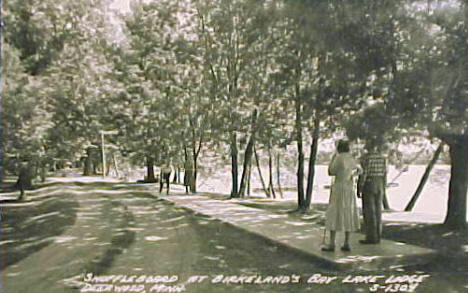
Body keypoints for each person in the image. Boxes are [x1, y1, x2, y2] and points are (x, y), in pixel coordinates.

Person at [322, 140, 361, 252]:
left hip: (339, 187)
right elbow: (360, 169)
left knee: (335, 212)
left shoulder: (339, 158)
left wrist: (332, 159)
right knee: (348, 212)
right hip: (349, 187)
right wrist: (352, 175)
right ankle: (346, 242)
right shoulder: (351, 158)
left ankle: (332, 243)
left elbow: (331, 171)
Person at [357, 144, 387, 244]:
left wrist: (359, 187)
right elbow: (385, 173)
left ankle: (371, 236)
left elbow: (363, 173)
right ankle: (378, 235)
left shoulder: (366, 158)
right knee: (378, 211)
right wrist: (383, 186)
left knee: (369, 212)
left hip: (369, 183)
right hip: (379, 184)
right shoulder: (383, 158)